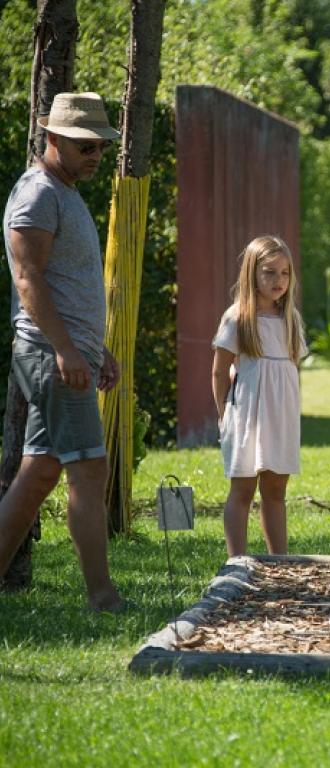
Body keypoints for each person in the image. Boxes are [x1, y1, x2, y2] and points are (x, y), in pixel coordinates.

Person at [0, 92, 125, 612]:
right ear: (52, 139)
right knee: (90, 471)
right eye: (84, 145)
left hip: (68, 353)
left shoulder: (64, 190)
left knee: (38, 475)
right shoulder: (38, 194)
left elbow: (68, 284)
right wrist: (67, 350)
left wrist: (96, 349)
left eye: (100, 146)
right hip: (52, 357)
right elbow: (28, 279)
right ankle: (102, 597)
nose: (94, 154)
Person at [212, 235, 306, 557]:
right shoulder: (238, 317)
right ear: (252, 272)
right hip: (247, 412)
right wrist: (224, 414)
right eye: (269, 272)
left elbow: (292, 371)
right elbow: (218, 370)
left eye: (284, 273)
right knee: (243, 488)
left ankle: (279, 561)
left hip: (280, 415)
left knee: (276, 488)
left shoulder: (290, 319)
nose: (278, 280)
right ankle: (236, 561)